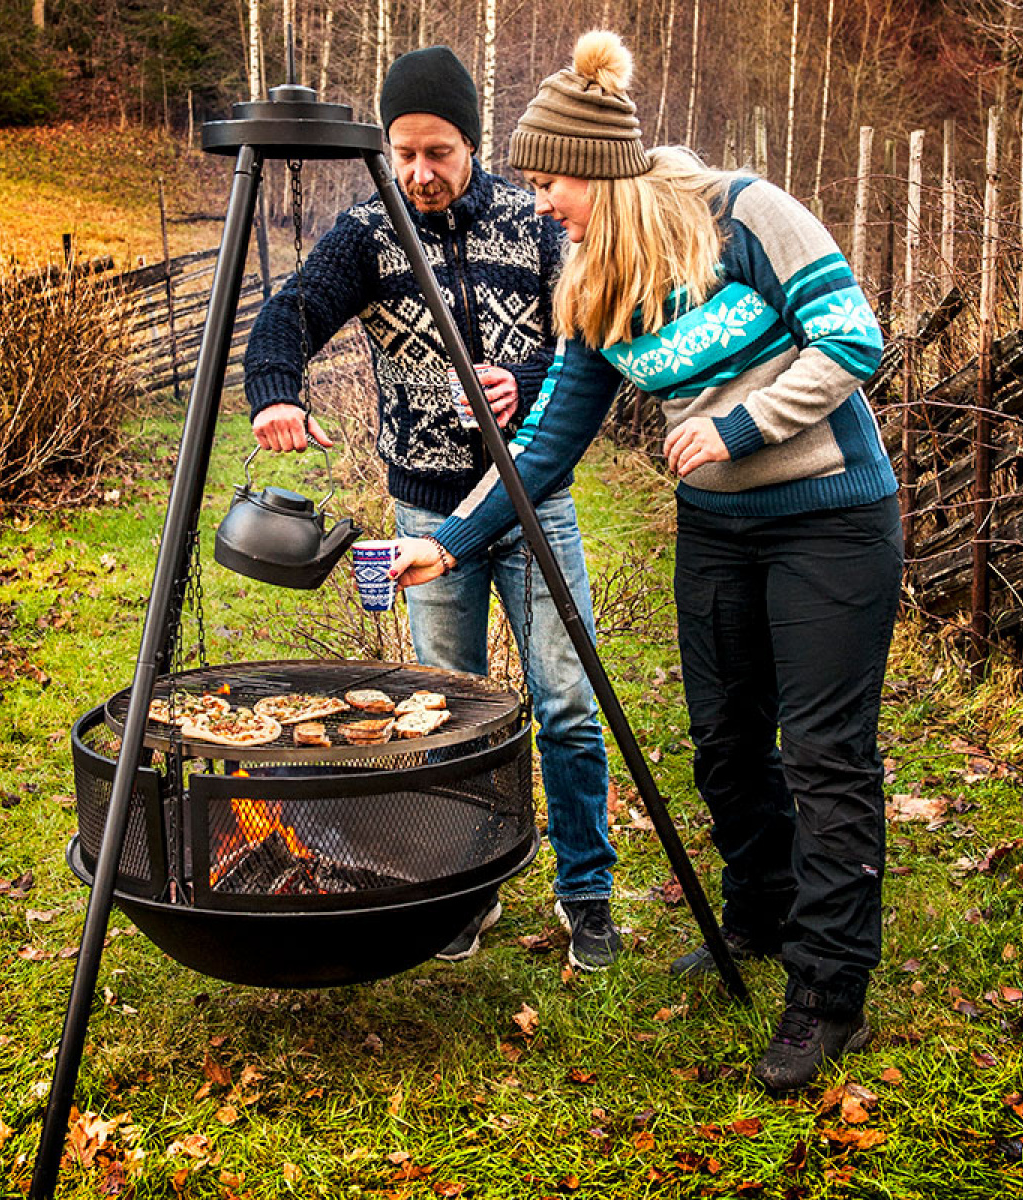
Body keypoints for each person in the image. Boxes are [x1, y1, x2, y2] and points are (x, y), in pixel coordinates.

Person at [391, 30, 903, 1092]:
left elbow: (853, 339)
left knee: (822, 755)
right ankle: (761, 919)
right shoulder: (596, 284)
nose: (540, 203)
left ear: (605, 170)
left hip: (832, 518)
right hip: (718, 529)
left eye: (550, 181)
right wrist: (448, 542)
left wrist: (743, 424)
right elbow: (542, 448)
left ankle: (828, 990)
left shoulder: (743, 214)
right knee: (724, 745)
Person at [243, 45, 621, 970]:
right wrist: (276, 393)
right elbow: (288, 313)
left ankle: (589, 895)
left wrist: (523, 381)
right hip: (423, 520)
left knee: (566, 703)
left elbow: (584, 351)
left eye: (439, 152)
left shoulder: (535, 224)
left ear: (471, 144)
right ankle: (465, 888)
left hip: (534, 505)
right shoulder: (368, 233)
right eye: (404, 152)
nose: (421, 172)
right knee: (445, 717)